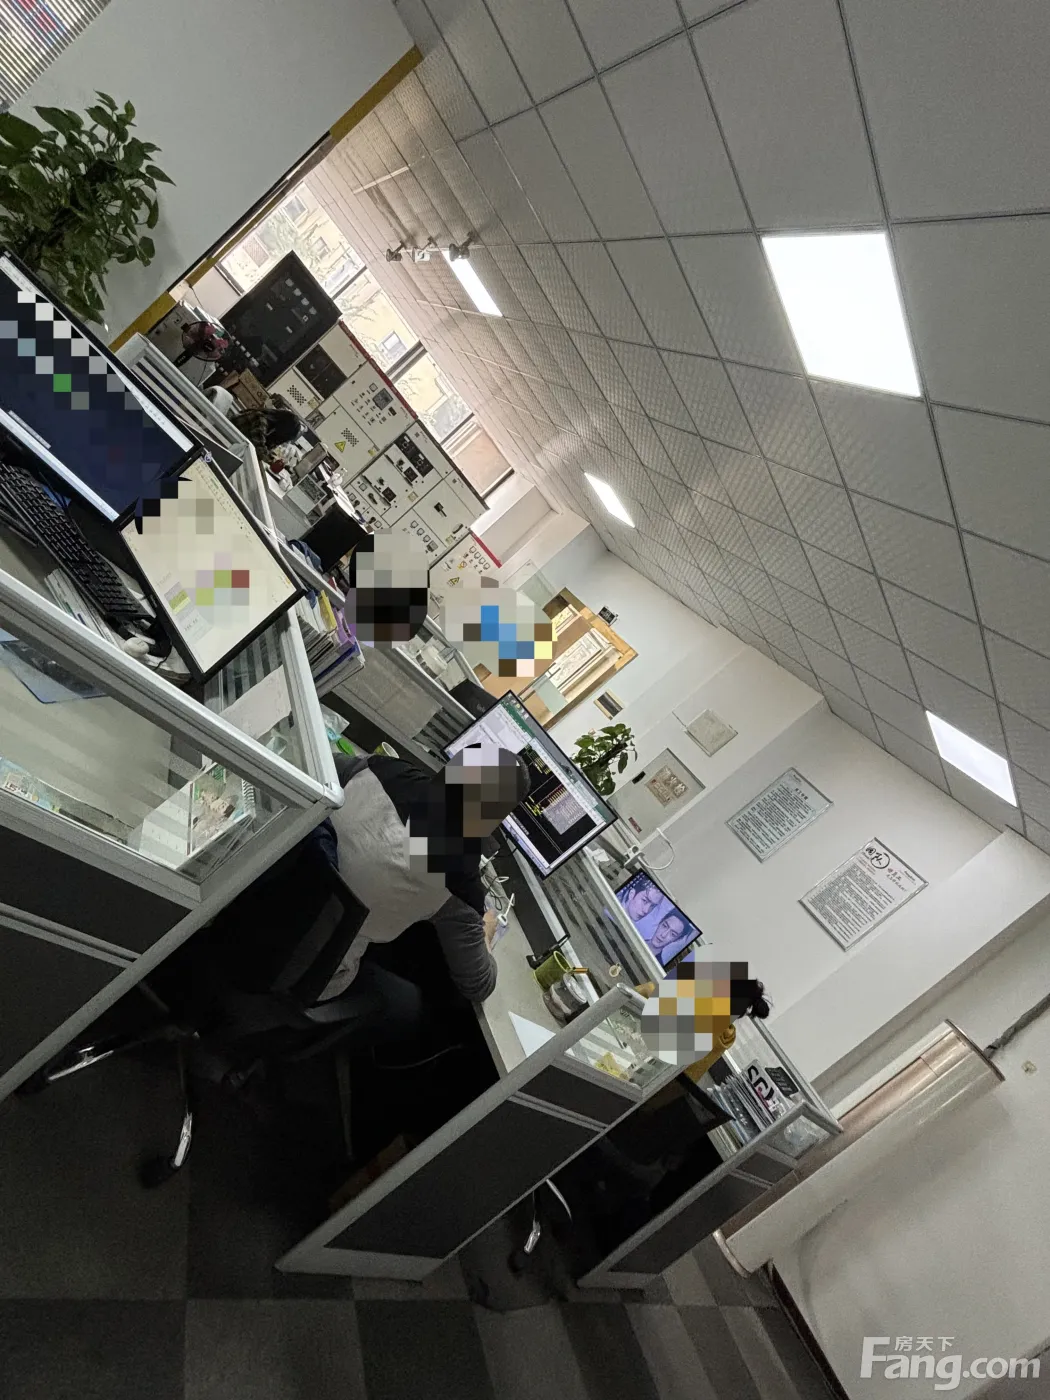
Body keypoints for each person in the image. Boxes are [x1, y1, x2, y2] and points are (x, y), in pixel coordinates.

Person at [319, 741, 531, 1013]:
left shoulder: (380, 769)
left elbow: (314, 764)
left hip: (267, 890)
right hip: (305, 972)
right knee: (407, 1004)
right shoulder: (458, 885)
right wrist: (486, 932)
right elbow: (479, 985)